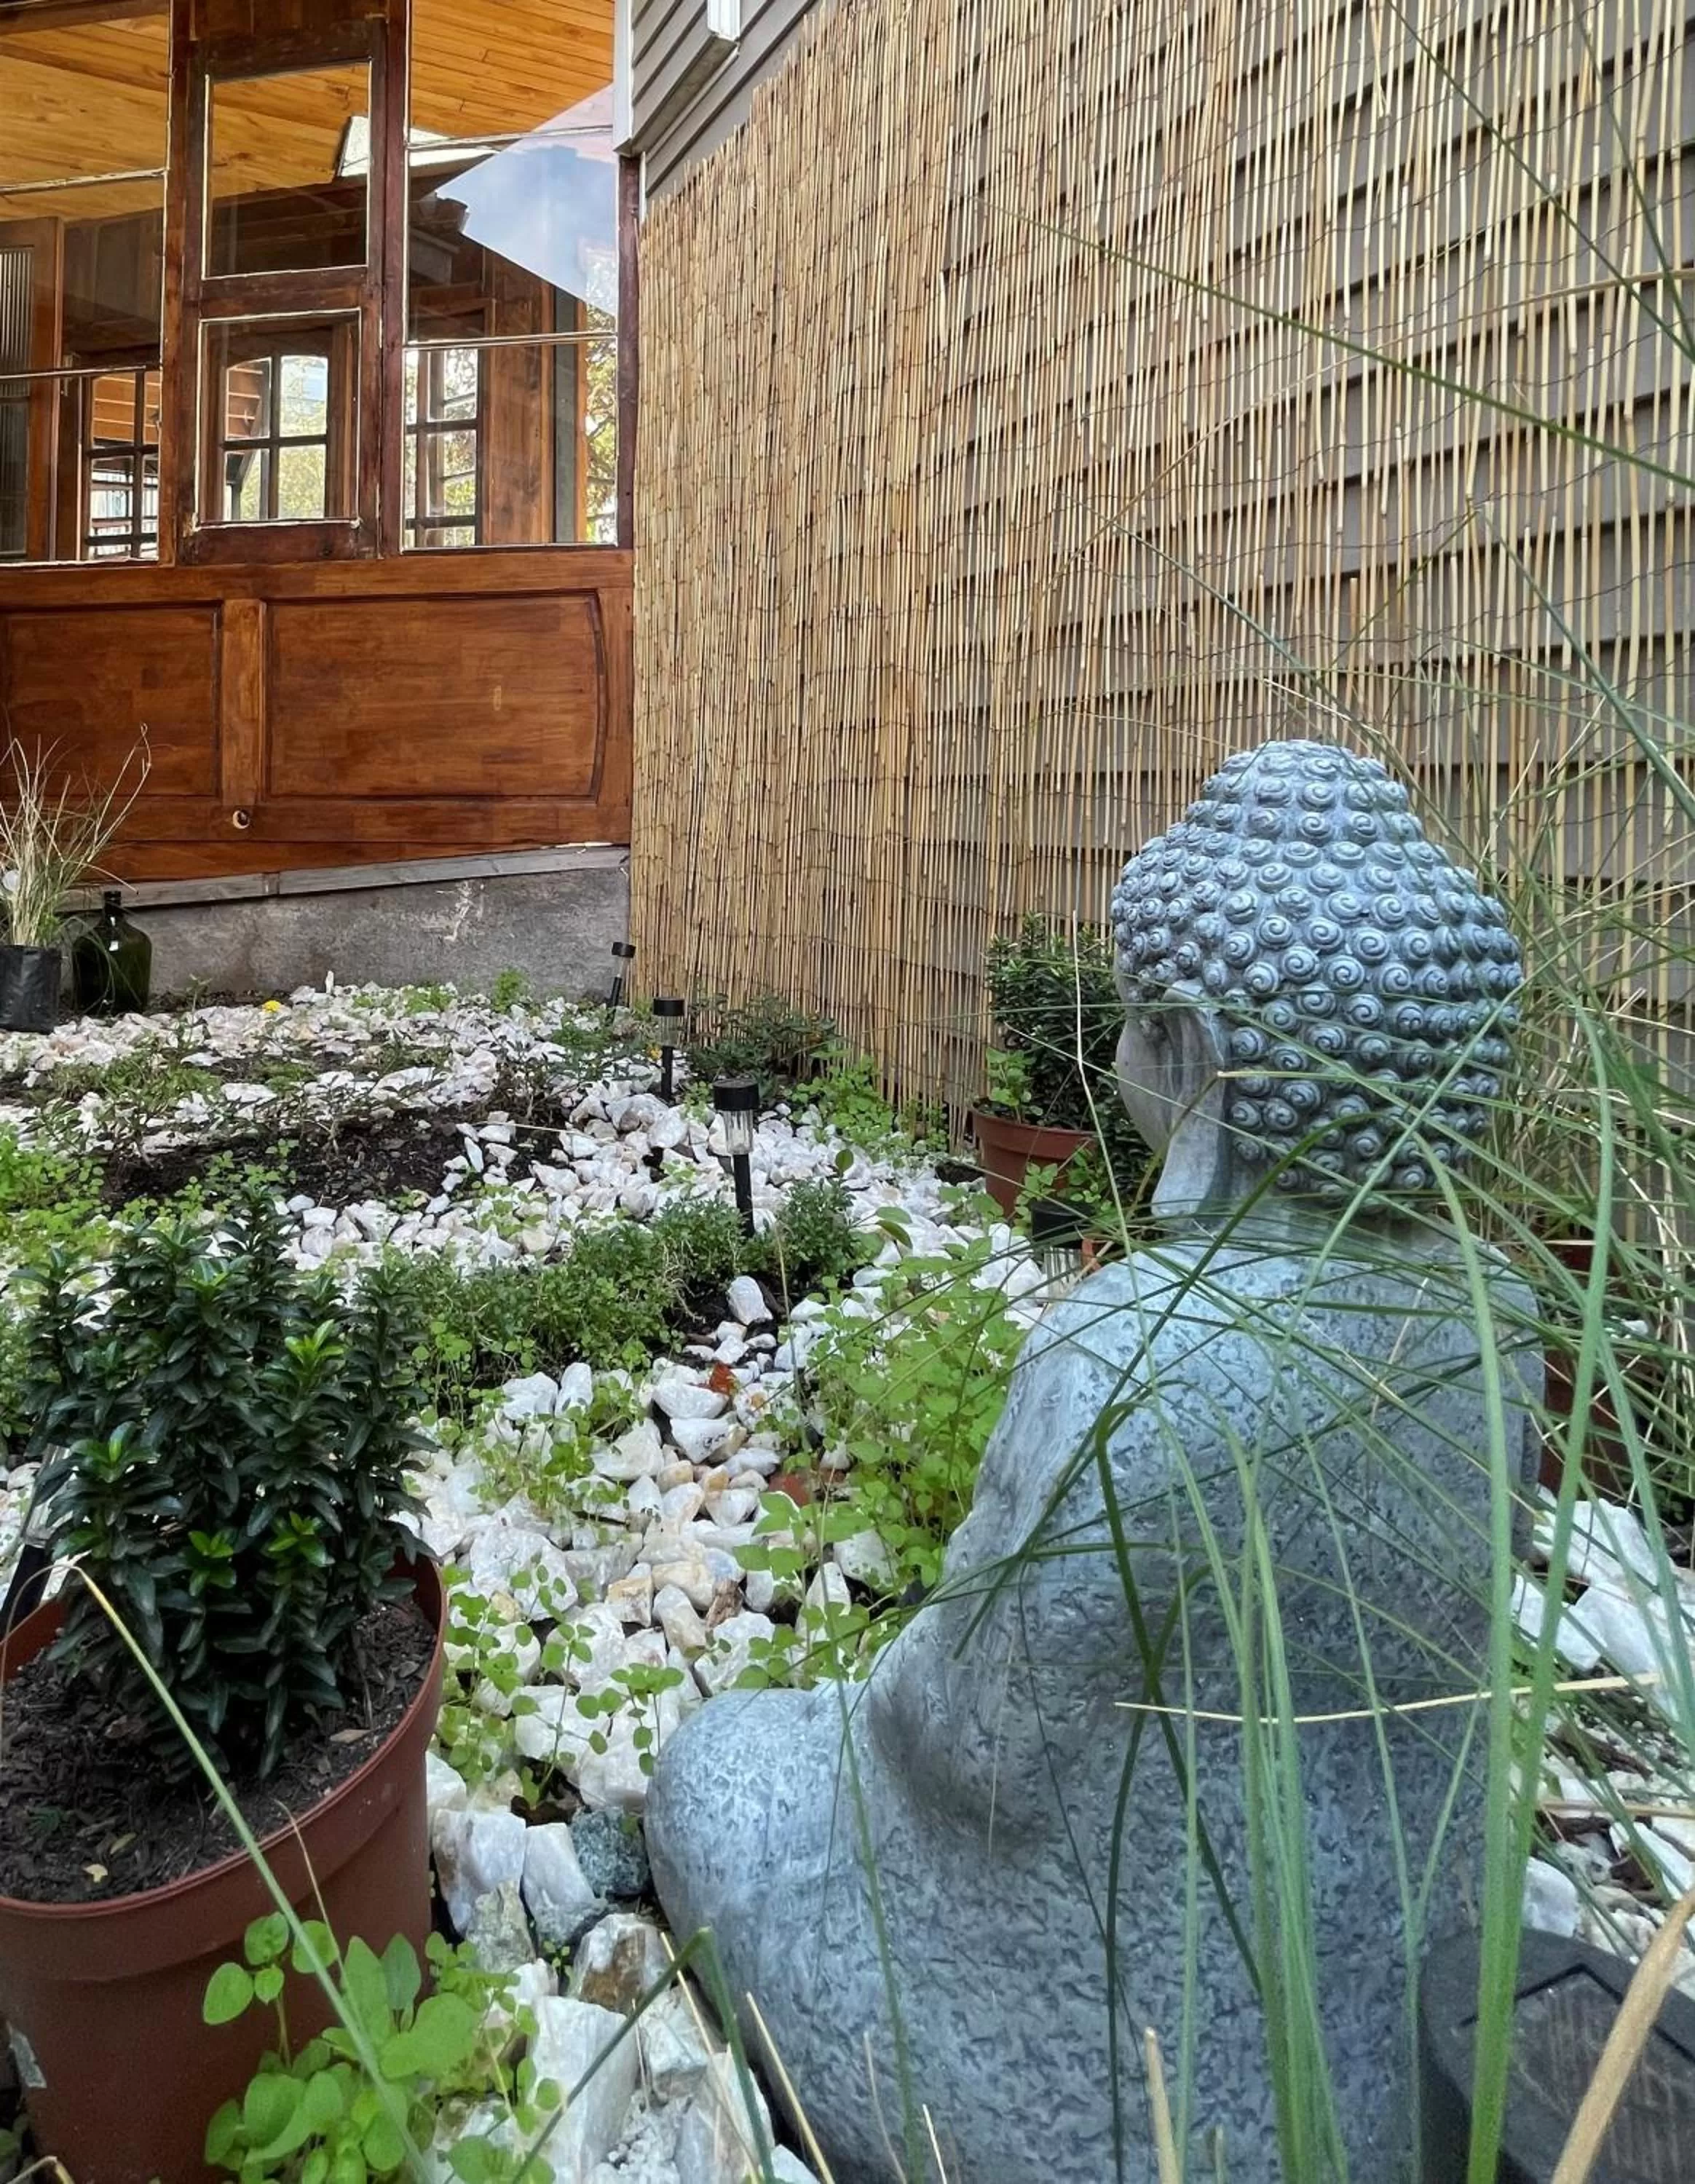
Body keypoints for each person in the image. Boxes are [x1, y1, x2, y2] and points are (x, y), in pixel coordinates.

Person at [647, 740, 1541, 2183]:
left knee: (719, 1769)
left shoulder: (1138, 1351)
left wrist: (877, 1695)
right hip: (1419, 2035)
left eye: (1133, 1028)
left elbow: (975, 1748)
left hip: (1130, 2076)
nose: (1116, 1059)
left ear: (1187, 1050)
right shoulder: (1496, 1320)